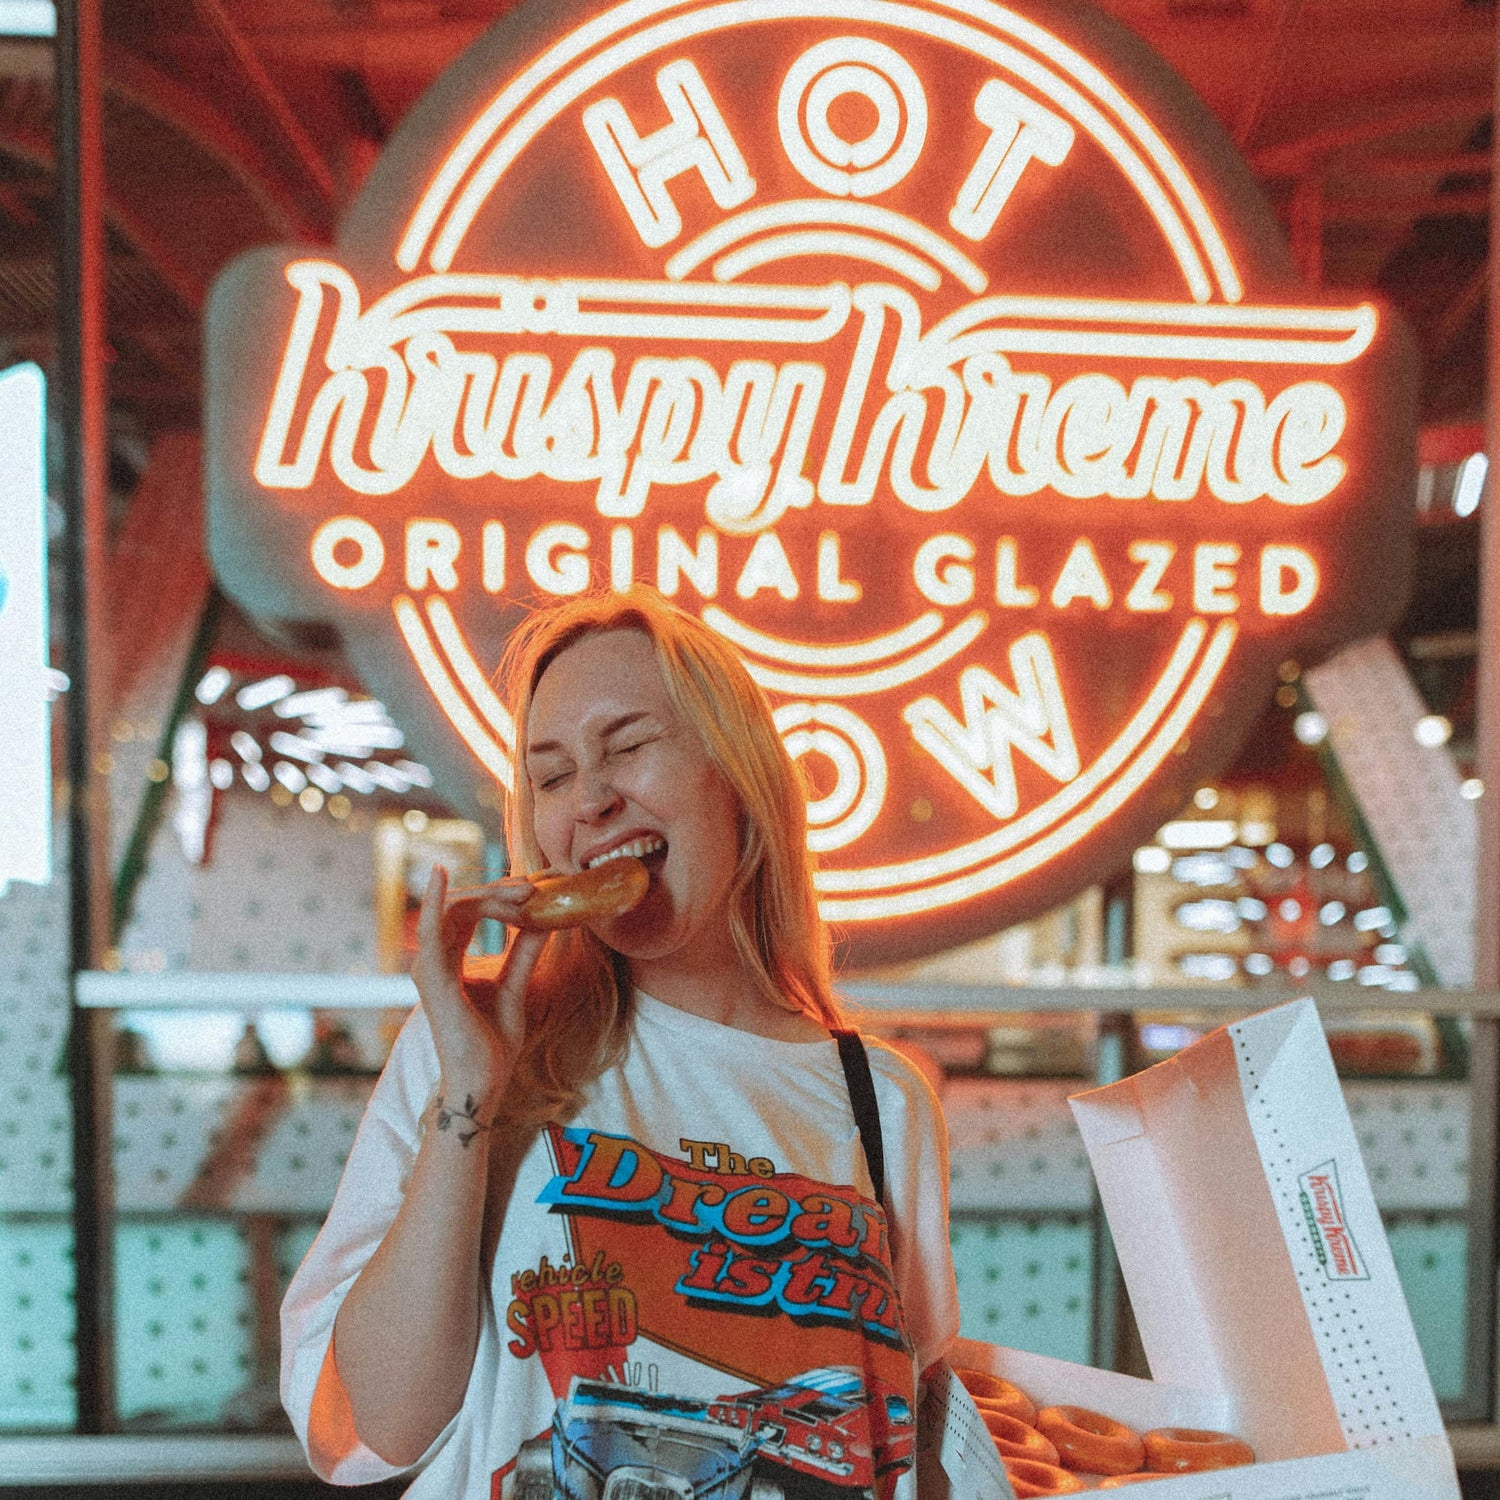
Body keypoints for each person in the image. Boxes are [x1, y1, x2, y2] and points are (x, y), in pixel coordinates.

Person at [281, 585, 960, 1499]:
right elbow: (384, 1423)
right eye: (552, 774)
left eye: (631, 745)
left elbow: (896, 1431)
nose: (591, 800)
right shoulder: (476, 1043)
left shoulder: (881, 1098)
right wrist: (471, 1097)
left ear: (736, 774)